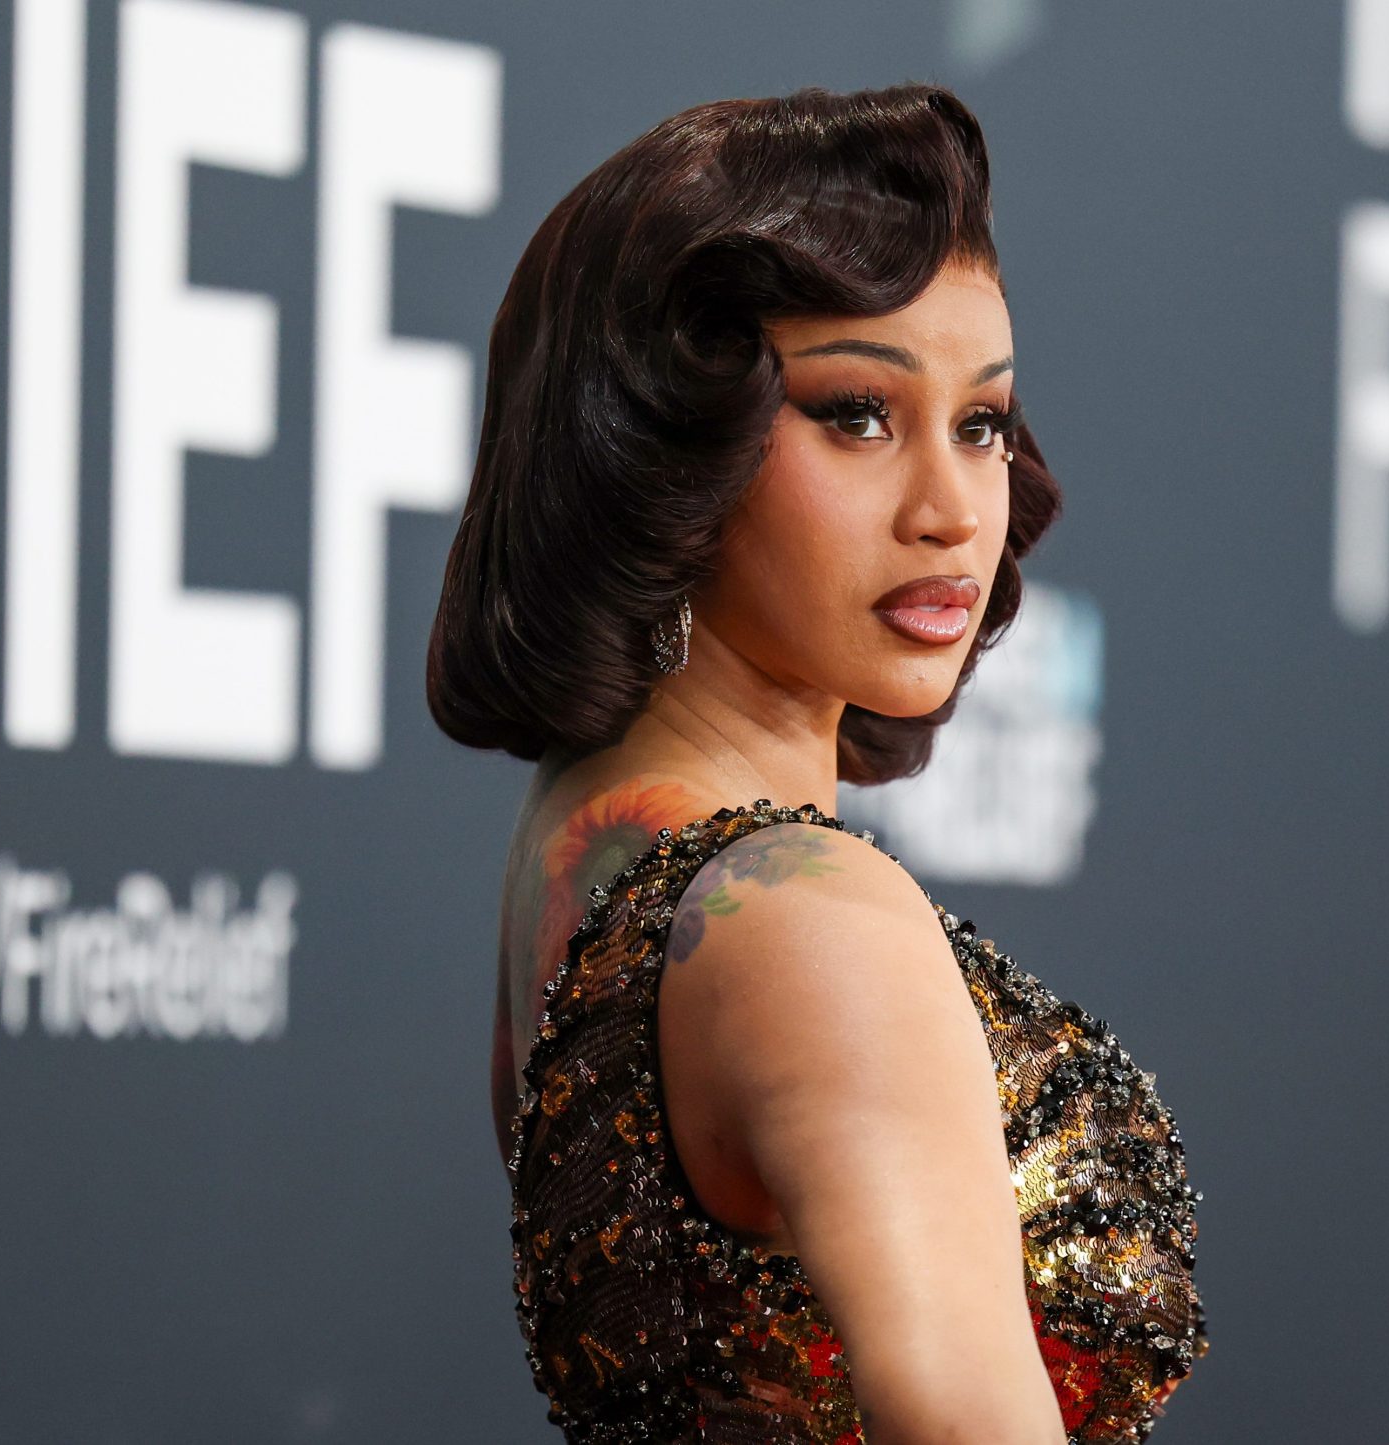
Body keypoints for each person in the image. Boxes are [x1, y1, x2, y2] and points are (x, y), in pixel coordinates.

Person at [427, 81, 1204, 1443]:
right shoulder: (803, 916)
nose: (952, 510)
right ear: (671, 449)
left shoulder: (583, 840)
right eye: (857, 413)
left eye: (981, 423)